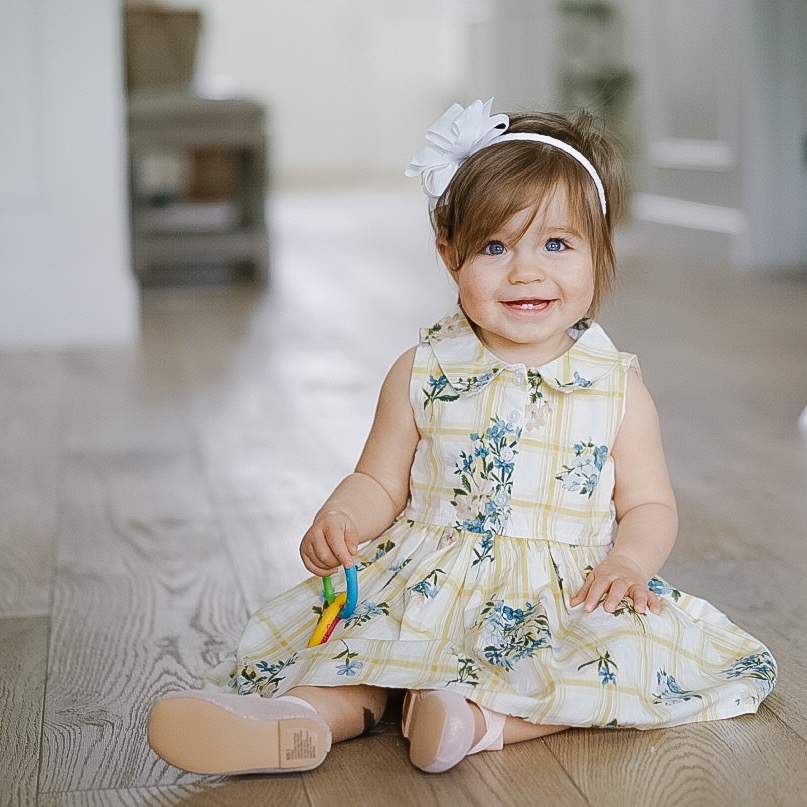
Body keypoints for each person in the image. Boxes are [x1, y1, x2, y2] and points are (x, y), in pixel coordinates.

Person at [148, 99, 776, 776]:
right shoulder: (422, 369)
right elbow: (379, 480)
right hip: (426, 577)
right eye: (494, 246)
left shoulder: (614, 386)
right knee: (359, 654)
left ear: (600, 251)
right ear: (450, 255)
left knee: (597, 662)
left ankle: (476, 720)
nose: (526, 270)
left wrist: (627, 563)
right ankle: (297, 720)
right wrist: (341, 515)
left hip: (558, 589)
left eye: (556, 244)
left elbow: (649, 503)